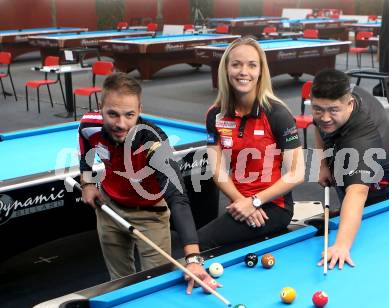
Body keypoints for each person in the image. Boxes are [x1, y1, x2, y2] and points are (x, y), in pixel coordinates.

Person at [78, 72, 211, 293]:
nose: (121, 124)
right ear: (100, 108)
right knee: (118, 284)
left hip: (150, 216)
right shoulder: (88, 126)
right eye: (113, 114)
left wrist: (193, 257)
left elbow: (177, 196)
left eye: (129, 115)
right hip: (109, 209)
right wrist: (88, 182)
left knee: (156, 288)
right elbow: (86, 149)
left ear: (140, 110)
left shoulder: (152, 142)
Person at [198, 37, 305, 250]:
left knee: (200, 242)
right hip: (239, 204)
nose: (243, 71)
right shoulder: (215, 114)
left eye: (251, 65)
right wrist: (242, 202)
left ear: (260, 71)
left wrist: (254, 202)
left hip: (274, 206)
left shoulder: (277, 113)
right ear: (226, 69)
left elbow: (297, 172)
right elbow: (217, 170)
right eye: (236, 64)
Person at [311, 69, 389, 270]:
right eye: (318, 109)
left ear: (349, 104)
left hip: (380, 181)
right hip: (344, 157)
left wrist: (341, 245)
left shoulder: (362, 138)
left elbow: (358, 191)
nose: (324, 117)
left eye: (333, 110)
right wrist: (324, 165)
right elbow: (318, 126)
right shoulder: (331, 101)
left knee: (369, 220)